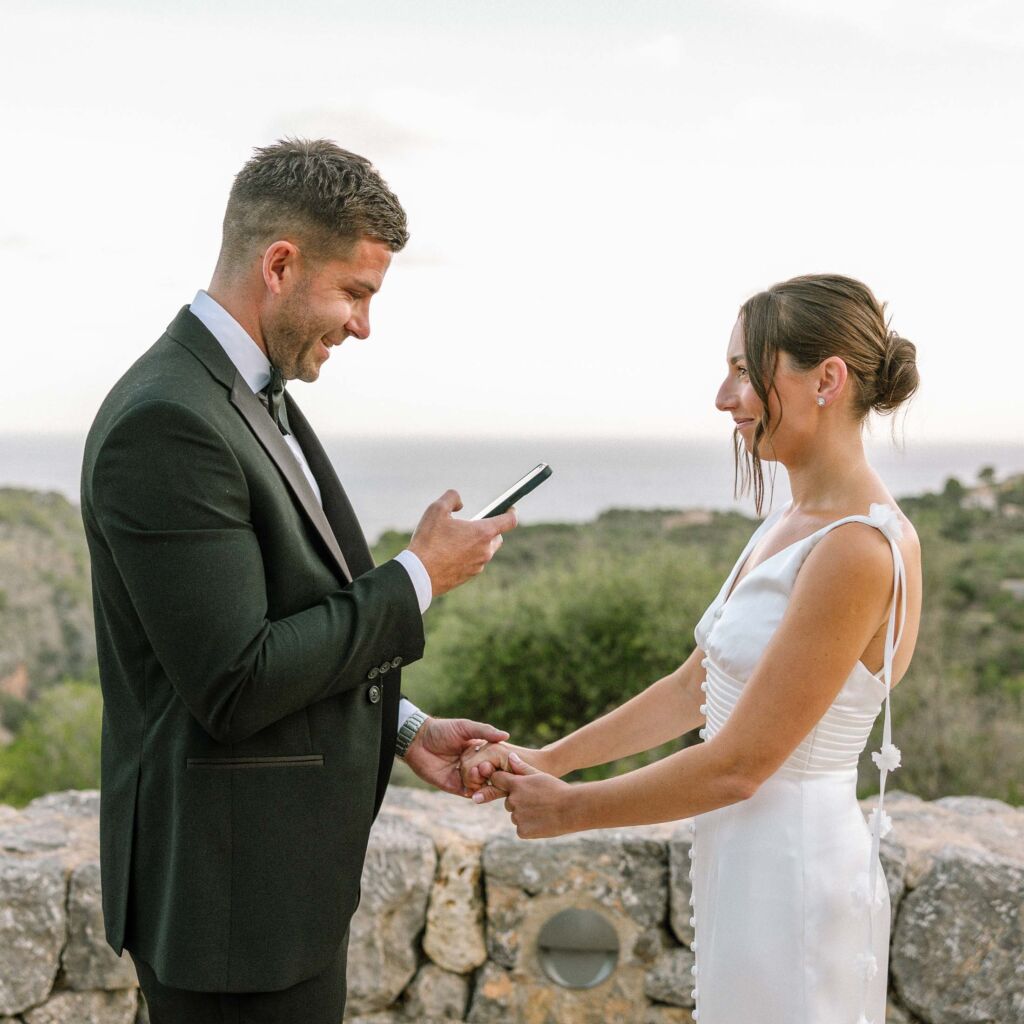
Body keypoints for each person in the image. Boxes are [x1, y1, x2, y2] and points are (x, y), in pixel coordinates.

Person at [80, 138, 517, 1024]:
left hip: (274, 903)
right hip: (227, 912)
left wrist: (402, 727)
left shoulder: (249, 399)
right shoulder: (169, 420)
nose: (363, 324)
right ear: (280, 264)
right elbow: (234, 680)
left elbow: (281, 623)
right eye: (355, 292)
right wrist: (417, 577)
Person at [462, 274, 922, 1024]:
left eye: (746, 370)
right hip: (742, 864)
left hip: (796, 876)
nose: (723, 397)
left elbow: (741, 766)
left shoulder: (860, 550)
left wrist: (570, 810)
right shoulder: (789, 521)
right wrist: (549, 760)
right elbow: (692, 689)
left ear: (827, 379)